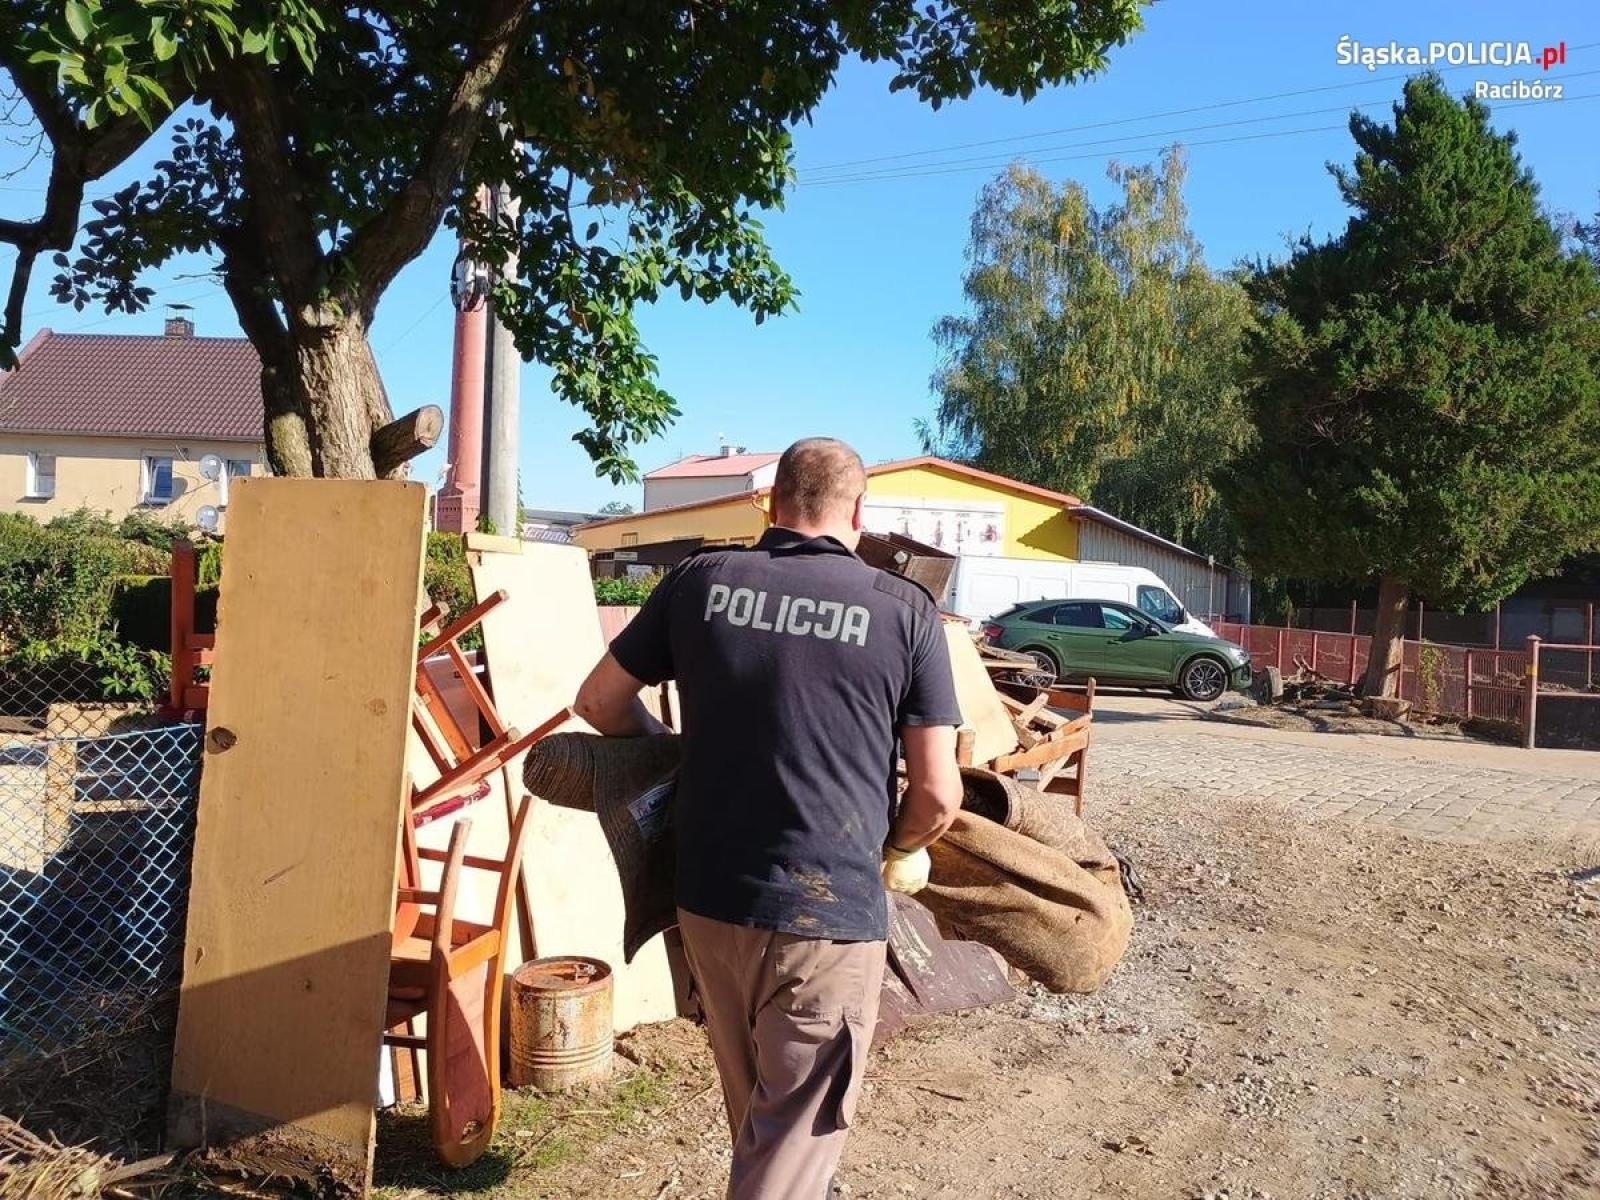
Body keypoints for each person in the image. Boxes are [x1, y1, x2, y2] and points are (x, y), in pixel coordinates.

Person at [575, 437, 964, 1199]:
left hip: (708, 900)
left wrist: (670, 756)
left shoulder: (699, 582)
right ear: (859, 510)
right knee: (793, 1135)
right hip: (826, 913)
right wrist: (900, 846)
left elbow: (597, 703)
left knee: (759, 1116)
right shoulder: (903, 610)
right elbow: (938, 795)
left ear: (771, 503)